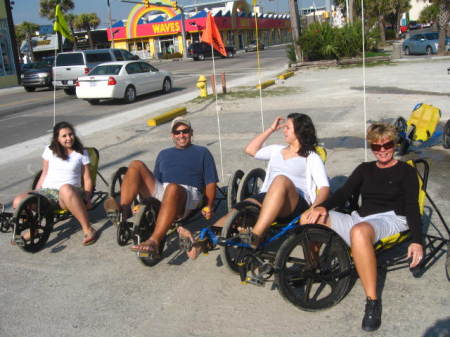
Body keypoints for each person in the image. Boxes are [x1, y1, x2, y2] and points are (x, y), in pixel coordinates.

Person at [302, 122, 424, 332]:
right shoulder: (364, 169)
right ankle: (314, 268)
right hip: (361, 218)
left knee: (358, 232)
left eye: (387, 145)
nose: (382, 151)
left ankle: (373, 301)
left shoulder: (406, 172)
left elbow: (412, 207)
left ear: (394, 145)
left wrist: (417, 241)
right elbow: (343, 194)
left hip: (391, 218)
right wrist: (321, 208)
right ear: (371, 148)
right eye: (376, 147)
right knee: (308, 217)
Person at [178, 113, 330, 259]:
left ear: (300, 131)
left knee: (280, 180)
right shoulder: (277, 150)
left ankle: (255, 236)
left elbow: (324, 187)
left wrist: (315, 207)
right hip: (268, 196)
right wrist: (271, 129)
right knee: (240, 209)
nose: (284, 130)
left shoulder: (311, 157)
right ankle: (202, 242)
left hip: (294, 201)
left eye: (288, 127)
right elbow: (250, 150)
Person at [104, 117, 218, 258]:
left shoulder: (202, 152)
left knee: (172, 188)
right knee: (136, 164)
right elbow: (155, 180)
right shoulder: (164, 153)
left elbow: (211, 183)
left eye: (185, 131)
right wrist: (141, 203)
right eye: (177, 132)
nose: (181, 135)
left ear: (191, 132)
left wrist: (210, 205)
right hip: (164, 190)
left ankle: (154, 240)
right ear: (172, 135)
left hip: (188, 194)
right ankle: (124, 212)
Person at [13, 121, 97, 246]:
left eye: (71, 134)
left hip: (69, 193)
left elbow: (87, 178)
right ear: (57, 139)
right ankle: (34, 230)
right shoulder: (49, 150)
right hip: (47, 193)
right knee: (18, 201)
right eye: (64, 136)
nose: (69, 138)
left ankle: (88, 228)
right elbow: (44, 173)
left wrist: (88, 196)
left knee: (65, 188)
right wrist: (35, 191)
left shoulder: (81, 152)